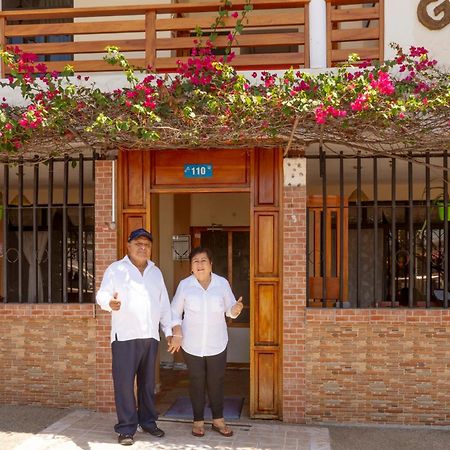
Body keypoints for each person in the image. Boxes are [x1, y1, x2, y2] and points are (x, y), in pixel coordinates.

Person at [96, 228, 172, 446]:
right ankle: (127, 428)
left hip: (149, 336)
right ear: (128, 246)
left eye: (147, 244)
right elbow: (102, 294)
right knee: (124, 385)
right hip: (125, 337)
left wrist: (168, 331)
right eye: (138, 243)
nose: (143, 248)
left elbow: (164, 305)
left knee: (148, 385)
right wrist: (109, 303)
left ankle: (148, 422)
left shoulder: (155, 272)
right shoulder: (116, 269)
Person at [168, 246, 243, 438]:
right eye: (195, 261)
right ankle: (198, 421)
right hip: (191, 344)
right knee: (196, 382)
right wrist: (176, 332)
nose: (199, 265)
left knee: (216, 382)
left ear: (211, 264)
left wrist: (236, 309)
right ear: (191, 267)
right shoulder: (185, 285)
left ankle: (218, 420)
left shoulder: (222, 284)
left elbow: (230, 310)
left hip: (217, 342)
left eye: (203, 261)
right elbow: (174, 311)